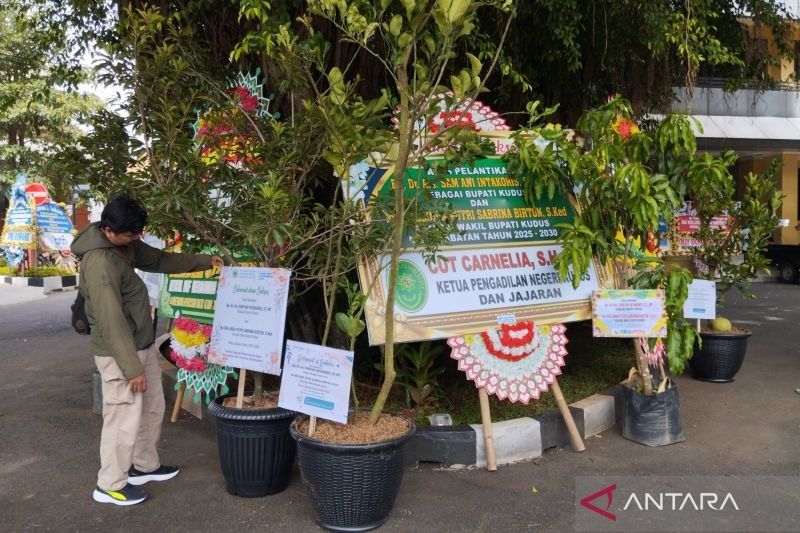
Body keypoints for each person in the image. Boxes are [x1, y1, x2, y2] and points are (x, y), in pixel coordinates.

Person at [71, 194, 224, 506]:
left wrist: (206, 261)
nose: (135, 239)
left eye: (138, 234)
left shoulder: (123, 244)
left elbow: (160, 260)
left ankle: (144, 465)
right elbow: (111, 322)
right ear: (108, 230)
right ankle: (110, 484)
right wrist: (132, 369)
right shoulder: (100, 262)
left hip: (140, 345)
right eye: (131, 234)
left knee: (152, 408)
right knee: (122, 419)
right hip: (119, 355)